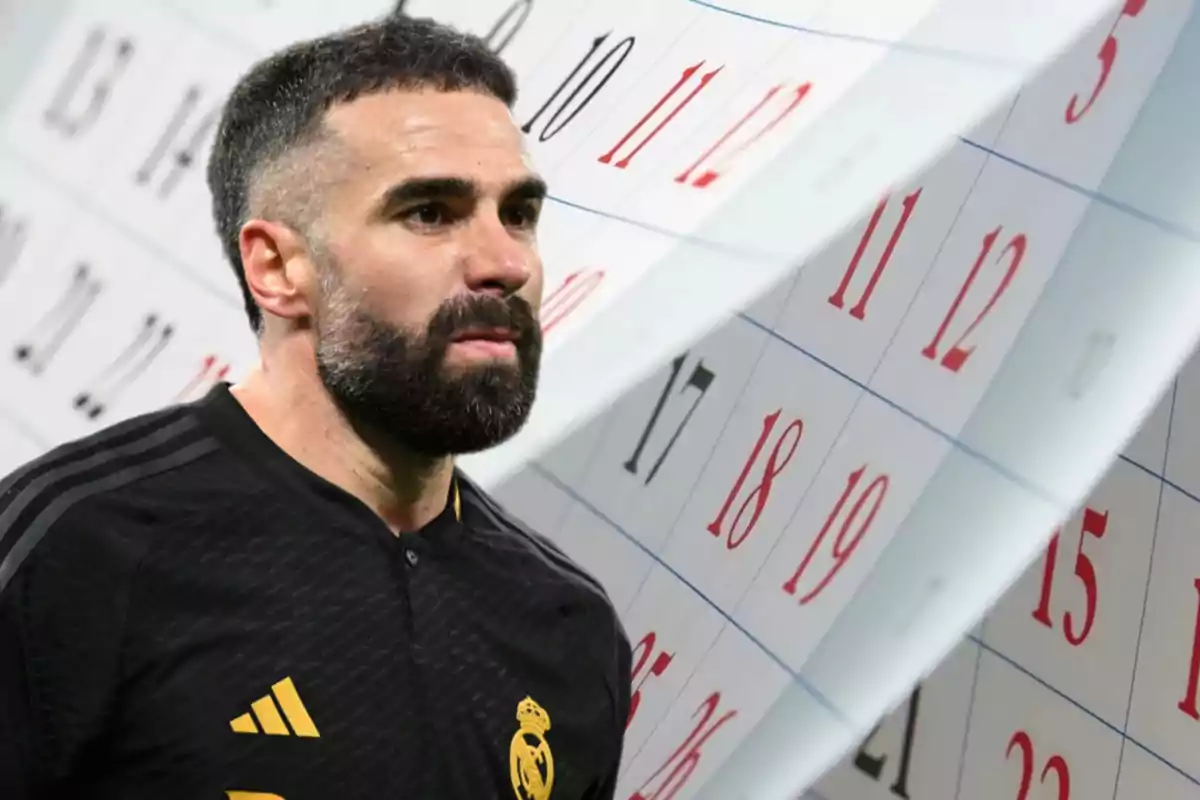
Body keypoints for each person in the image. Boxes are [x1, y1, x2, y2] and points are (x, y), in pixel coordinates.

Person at [0, 13, 632, 800]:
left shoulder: (568, 627)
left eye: (519, 214)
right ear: (276, 268)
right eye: (429, 212)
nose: (504, 262)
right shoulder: (78, 547)